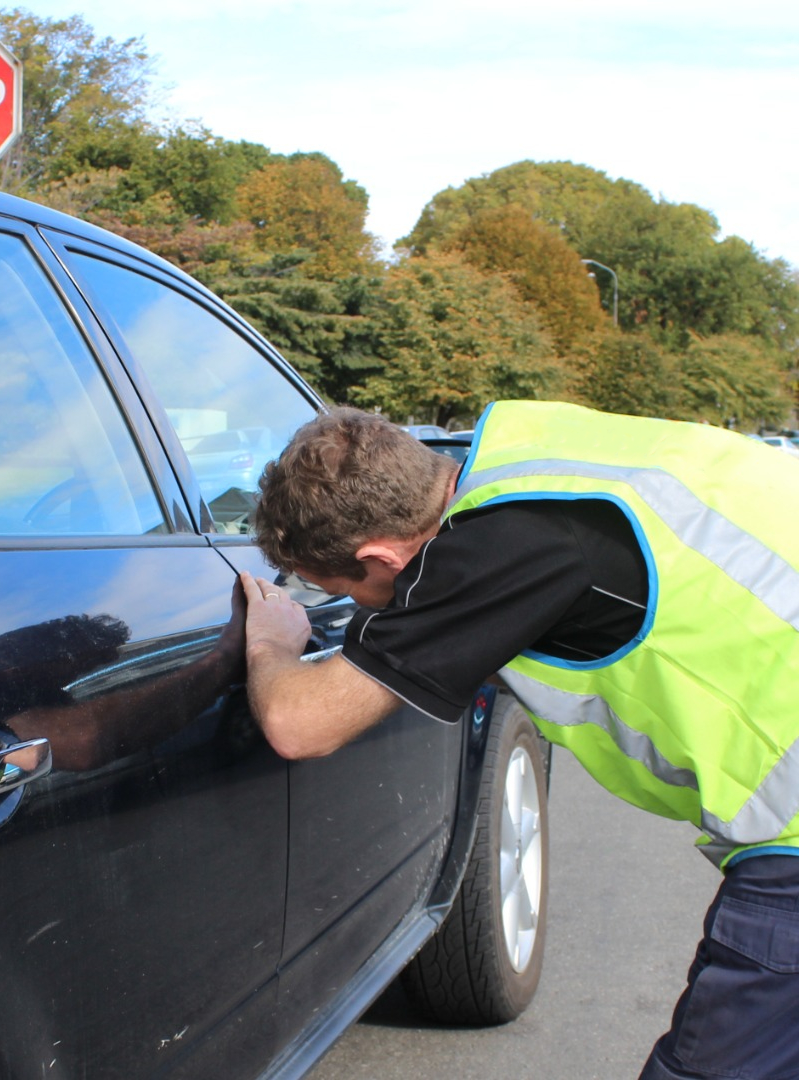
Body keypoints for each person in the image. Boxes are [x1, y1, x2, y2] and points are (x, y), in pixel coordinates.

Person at [239, 400, 799, 1080]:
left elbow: (301, 724)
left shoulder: (499, 547)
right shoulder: (545, 457)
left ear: (382, 555)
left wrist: (271, 644)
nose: (364, 610)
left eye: (351, 591)